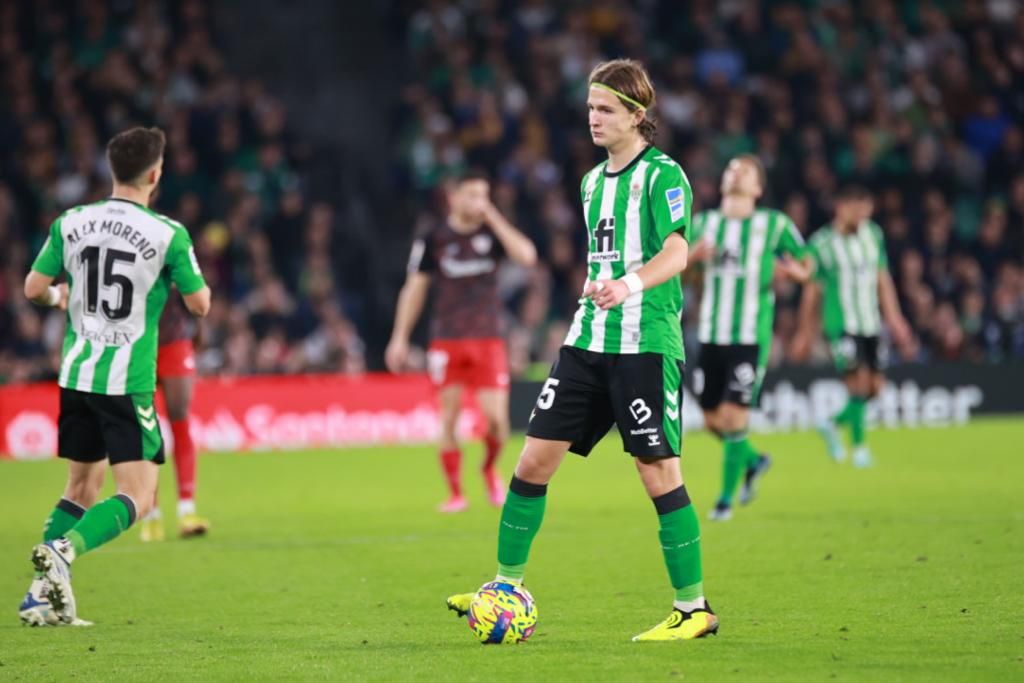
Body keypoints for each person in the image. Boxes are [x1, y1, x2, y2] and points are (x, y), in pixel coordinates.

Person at [446, 59, 717, 641]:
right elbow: (607, 258)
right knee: (533, 460)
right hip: (587, 340)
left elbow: (677, 252)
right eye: (591, 108)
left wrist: (629, 284)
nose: (593, 119)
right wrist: (602, 283)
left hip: (645, 343)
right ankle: (505, 586)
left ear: (637, 117)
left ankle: (693, 609)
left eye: (605, 110)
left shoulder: (665, 175)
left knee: (657, 469)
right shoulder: (593, 183)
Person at [18, 127, 211, 626]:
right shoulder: (168, 233)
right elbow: (200, 304)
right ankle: (63, 552)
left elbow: (34, 287)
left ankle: (40, 596)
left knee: (80, 487)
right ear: (156, 173)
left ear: (112, 170)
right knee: (139, 495)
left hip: (76, 375)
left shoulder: (71, 221)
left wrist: (62, 297)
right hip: (127, 382)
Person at [385, 171, 537, 512]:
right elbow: (414, 288)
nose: (478, 202)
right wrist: (399, 337)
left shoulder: (492, 232)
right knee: (449, 418)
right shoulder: (433, 237)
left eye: (484, 195)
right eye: (471, 195)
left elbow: (527, 257)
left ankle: (488, 470)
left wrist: (494, 217)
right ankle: (456, 493)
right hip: (447, 339)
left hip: (488, 338)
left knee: (497, 422)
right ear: (453, 197)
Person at [688, 155, 812, 521]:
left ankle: (724, 502)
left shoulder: (774, 225)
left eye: (746, 169)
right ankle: (754, 460)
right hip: (710, 335)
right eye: (730, 167)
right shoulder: (703, 224)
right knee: (713, 421)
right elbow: (680, 275)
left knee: (732, 416)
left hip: (748, 337)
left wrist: (796, 274)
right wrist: (693, 257)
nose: (736, 171)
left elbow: (806, 264)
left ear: (758, 187)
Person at [793, 185, 912, 467]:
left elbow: (882, 278)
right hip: (841, 324)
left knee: (875, 387)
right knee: (857, 383)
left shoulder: (873, 235)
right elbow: (812, 290)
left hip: (870, 322)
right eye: (856, 208)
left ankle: (831, 422)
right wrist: (804, 332)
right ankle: (859, 449)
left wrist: (895, 318)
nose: (861, 215)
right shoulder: (822, 243)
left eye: (866, 208)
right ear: (840, 207)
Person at [138, 297, 210, 541]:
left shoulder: (176, 257)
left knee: (180, 417)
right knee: (145, 427)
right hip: (138, 342)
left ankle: (187, 512)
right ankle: (151, 515)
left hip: (175, 341)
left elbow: (195, 289)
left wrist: (201, 324)